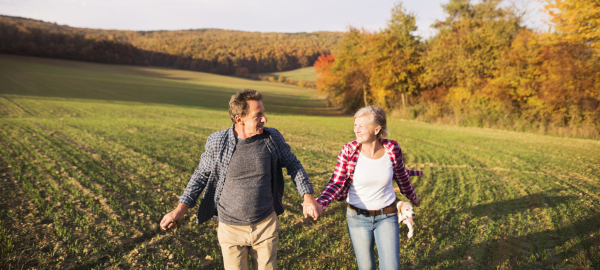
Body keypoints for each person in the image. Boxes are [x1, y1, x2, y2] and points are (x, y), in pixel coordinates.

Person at [160, 89, 322, 270]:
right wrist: (180, 209)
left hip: (265, 224)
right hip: (230, 229)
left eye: (263, 113)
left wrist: (308, 197)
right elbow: (200, 176)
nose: (264, 119)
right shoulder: (217, 142)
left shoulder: (272, 138)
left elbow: (294, 164)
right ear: (239, 119)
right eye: (257, 115)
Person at [315, 105, 422, 270]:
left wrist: (412, 197)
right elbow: (337, 182)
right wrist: (321, 203)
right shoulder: (348, 151)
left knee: (392, 267)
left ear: (377, 129)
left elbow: (401, 176)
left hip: (387, 215)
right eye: (355, 125)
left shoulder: (392, 149)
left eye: (362, 126)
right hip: (357, 218)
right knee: (366, 267)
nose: (356, 130)